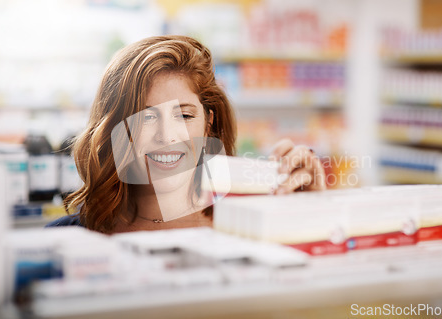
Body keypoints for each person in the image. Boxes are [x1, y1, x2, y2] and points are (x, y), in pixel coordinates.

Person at [46, 35, 326, 234]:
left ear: (208, 123)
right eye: (147, 117)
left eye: (184, 115)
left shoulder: (253, 222)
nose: (167, 136)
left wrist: (314, 216)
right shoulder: (68, 238)